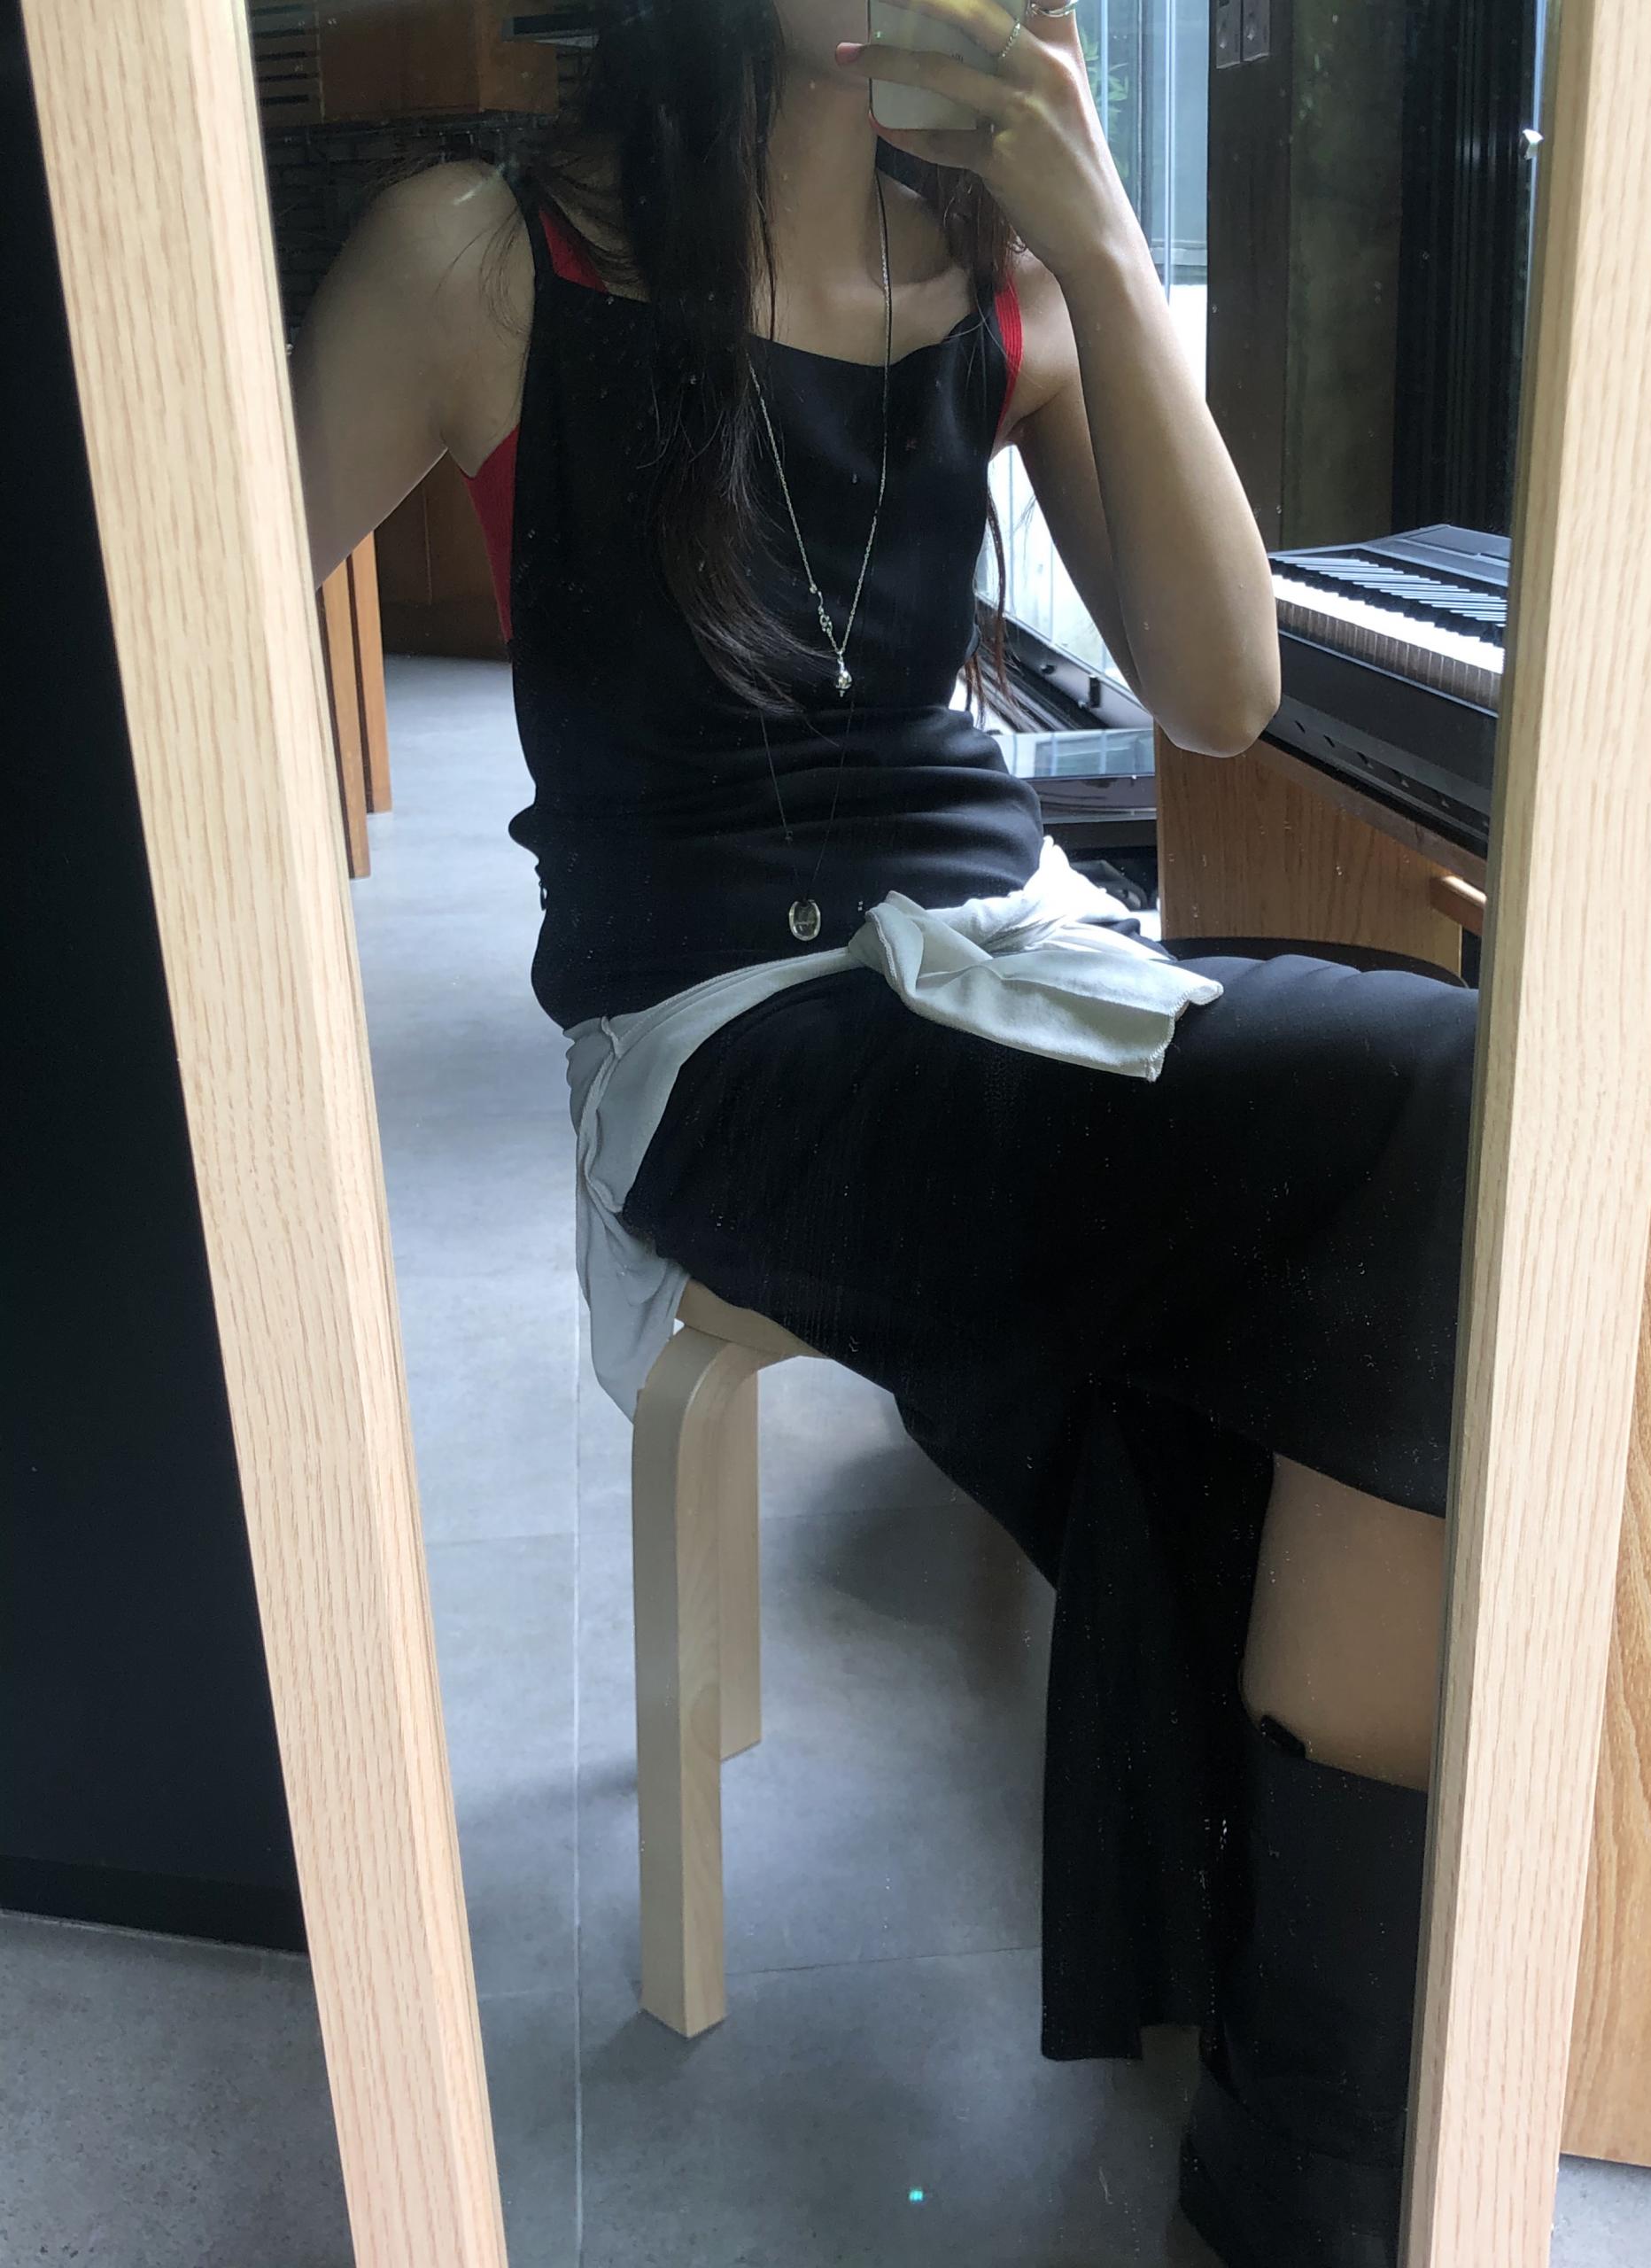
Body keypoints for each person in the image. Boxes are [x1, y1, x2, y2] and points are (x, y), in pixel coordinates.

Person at [291, 5, 1472, 2262]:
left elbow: (1221, 689)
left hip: (1007, 954)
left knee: (1399, 1173)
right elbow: (184, 616)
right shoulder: (488, 258)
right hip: (725, 1028)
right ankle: (1314, 2156)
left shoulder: (1000, 280)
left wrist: (1102, 244)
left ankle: (1307, 2094)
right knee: (1411, 1106)